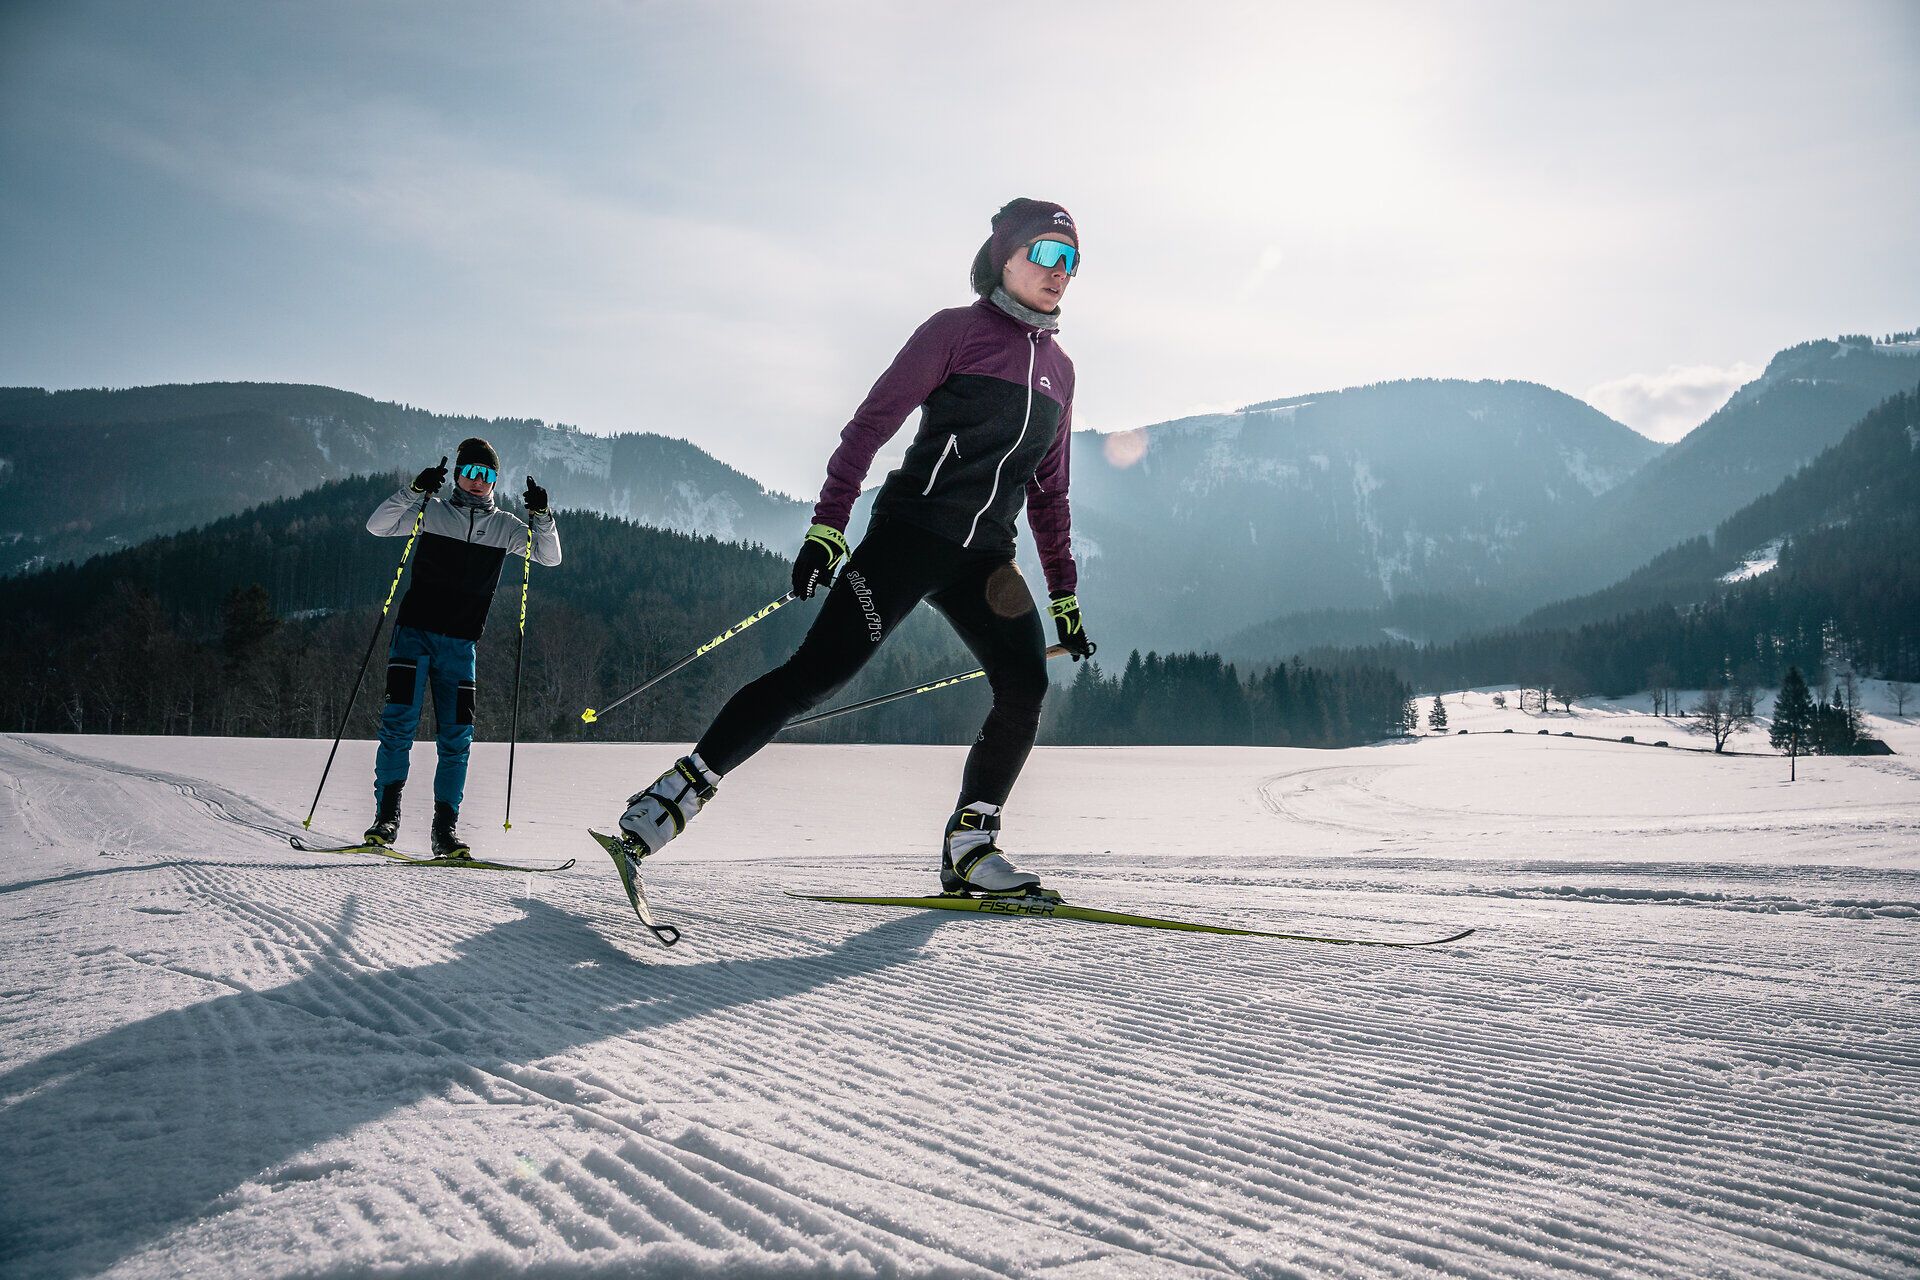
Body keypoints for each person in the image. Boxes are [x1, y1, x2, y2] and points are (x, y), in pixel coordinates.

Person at [609, 198, 1095, 895]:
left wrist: (1064, 594)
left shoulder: (1061, 371)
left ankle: (970, 846)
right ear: (1004, 256)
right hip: (909, 536)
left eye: (1072, 260)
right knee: (815, 674)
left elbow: (1051, 492)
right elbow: (869, 426)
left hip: (987, 557)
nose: (1060, 272)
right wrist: (828, 525)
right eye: (1046, 253)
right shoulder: (955, 333)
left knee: (1025, 685)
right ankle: (671, 799)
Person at [364, 437, 561, 856]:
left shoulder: (507, 527)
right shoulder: (431, 512)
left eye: (487, 475)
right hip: (413, 636)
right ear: (457, 475)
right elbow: (377, 525)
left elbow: (549, 556)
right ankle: (386, 819)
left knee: (457, 739)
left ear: (495, 482)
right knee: (398, 727)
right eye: (471, 472)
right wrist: (414, 490)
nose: (477, 482)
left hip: (460, 646)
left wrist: (542, 516)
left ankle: (444, 831)